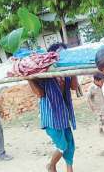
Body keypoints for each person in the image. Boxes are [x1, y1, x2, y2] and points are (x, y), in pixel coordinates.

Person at [28, 43, 79, 172]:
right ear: (51, 56)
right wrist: (28, 78)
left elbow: (73, 87)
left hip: (64, 115)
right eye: (60, 54)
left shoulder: (66, 71)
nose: (63, 56)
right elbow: (40, 94)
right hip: (51, 117)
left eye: (65, 54)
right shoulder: (43, 73)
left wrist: (74, 70)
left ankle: (69, 168)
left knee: (70, 145)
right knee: (62, 145)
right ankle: (51, 165)